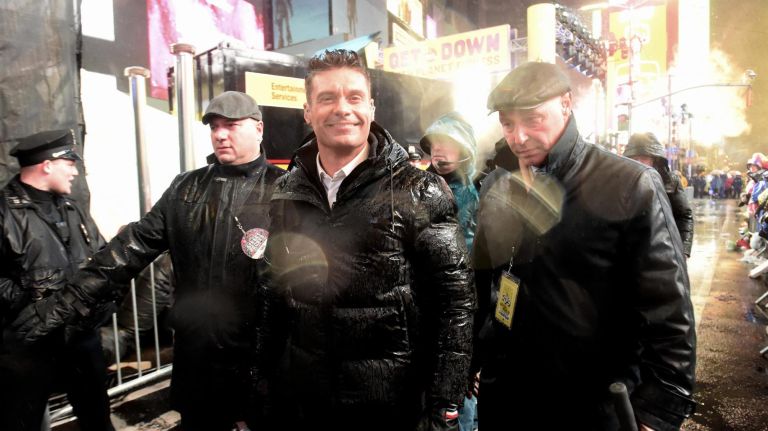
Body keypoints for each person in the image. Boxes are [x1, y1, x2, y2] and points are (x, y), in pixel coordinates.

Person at [12, 91, 285, 431]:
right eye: (214, 126)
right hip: (197, 362)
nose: (220, 134)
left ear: (258, 129)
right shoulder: (186, 188)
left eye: (231, 125)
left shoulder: (285, 191)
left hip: (259, 365)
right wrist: (62, 304)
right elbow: (129, 249)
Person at [254, 49, 474, 431]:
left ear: (371, 107)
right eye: (327, 98)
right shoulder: (287, 190)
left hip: (395, 408)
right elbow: (273, 294)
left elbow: (456, 303)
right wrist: (261, 383)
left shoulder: (419, 190)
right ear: (307, 111)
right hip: (308, 403)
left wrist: (445, 406)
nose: (343, 108)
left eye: (354, 97)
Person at [472, 62, 696, 431]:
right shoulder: (497, 185)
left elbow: (669, 309)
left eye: (532, 119)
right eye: (508, 123)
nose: (519, 136)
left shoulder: (629, 183)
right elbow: (485, 285)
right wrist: (474, 362)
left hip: (593, 405)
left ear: (566, 104)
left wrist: (657, 410)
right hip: (508, 397)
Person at [0, 129, 114, 431]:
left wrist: (104, 302)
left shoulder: (72, 208)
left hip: (80, 339)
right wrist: (32, 301)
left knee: (98, 419)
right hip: (29, 347)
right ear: (47, 165)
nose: (75, 172)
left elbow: (100, 258)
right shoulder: (4, 212)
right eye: (70, 163)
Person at [420, 113, 480, 431]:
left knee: (457, 413)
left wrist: (476, 355)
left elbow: (482, 276)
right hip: (421, 322)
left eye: (448, 144)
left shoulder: (476, 197)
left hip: (460, 327)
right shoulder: (415, 190)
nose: (439, 151)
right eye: (435, 144)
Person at [623, 132, 695, 257]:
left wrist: (683, 251)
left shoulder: (671, 181)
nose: (639, 162)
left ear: (654, 159)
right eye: (634, 158)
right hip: (630, 251)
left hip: (663, 251)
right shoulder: (621, 181)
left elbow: (684, 216)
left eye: (644, 158)